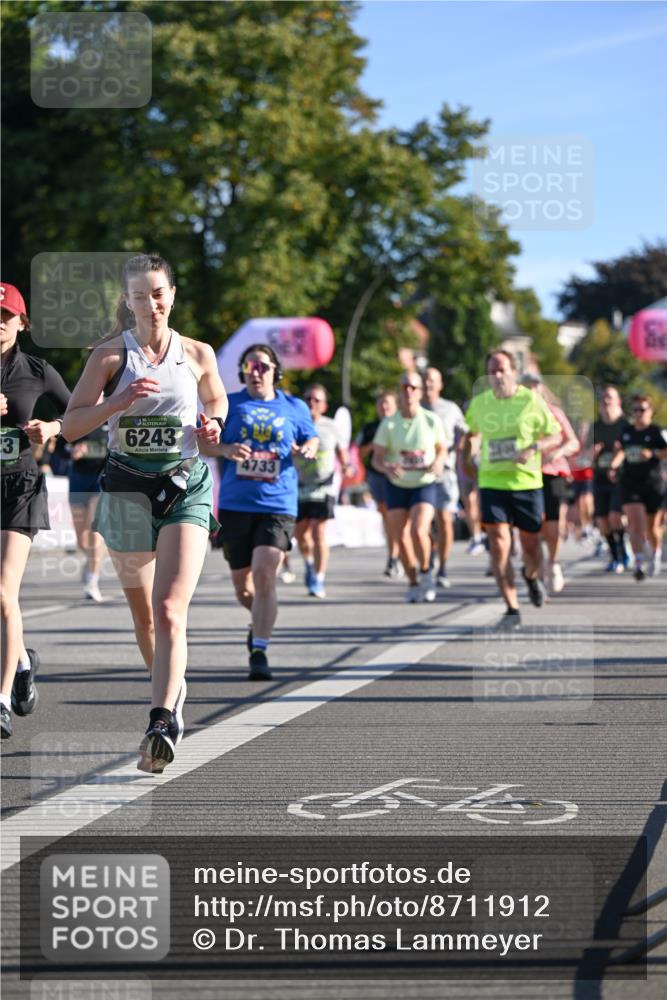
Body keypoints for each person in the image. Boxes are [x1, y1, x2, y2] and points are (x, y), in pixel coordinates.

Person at [62, 253, 227, 773]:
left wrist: (214, 426)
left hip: (184, 487)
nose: (150, 304)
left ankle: (160, 719)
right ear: (127, 301)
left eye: (158, 293)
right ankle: (173, 688)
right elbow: (69, 427)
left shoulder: (198, 352)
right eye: (139, 296)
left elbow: (217, 399)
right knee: (144, 618)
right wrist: (117, 403)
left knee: (170, 609)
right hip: (127, 491)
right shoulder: (109, 357)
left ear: (172, 294)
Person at [216, 343, 318, 678]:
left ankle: (259, 650)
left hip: (278, 503)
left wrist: (307, 448)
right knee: (244, 589)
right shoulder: (229, 404)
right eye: (250, 366)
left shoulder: (294, 406)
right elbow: (201, 441)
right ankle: (261, 616)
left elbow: (311, 437)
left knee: (264, 573)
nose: (256, 372)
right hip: (235, 504)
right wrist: (226, 448)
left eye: (262, 366)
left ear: (275, 371)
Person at [1, 281, 71, 740]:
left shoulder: (38, 370)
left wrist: (52, 427)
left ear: (22, 323)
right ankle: (23, 660)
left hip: (20, 487)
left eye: (5, 317)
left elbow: (83, 415)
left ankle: (1, 699)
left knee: (3, 592)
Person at [463, 350, 561, 630]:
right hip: (492, 482)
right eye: (492, 371)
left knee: (531, 546)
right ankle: (511, 608)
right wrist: (470, 451)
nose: (497, 375)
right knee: (498, 543)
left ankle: (531, 578)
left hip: (526, 483)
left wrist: (534, 447)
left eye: (502, 369)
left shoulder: (531, 401)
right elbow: (472, 433)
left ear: (514, 372)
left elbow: (555, 435)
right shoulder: (480, 404)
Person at [372, 372, 446, 603]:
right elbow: (376, 459)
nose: (409, 392)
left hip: (424, 483)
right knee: (400, 536)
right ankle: (413, 581)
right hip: (397, 484)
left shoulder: (431, 420)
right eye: (404, 387)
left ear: (420, 392)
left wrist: (438, 462)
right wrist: (387, 468)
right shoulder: (389, 423)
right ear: (399, 391)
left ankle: (426, 572)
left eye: (413, 387)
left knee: (418, 530)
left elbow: (442, 448)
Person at [521, 373, 579, 593]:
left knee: (553, 526)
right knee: (533, 526)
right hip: (526, 475)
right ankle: (537, 566)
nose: (532, 391)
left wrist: (558, 453)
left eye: (535, 387)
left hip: (553, 473)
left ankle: (553, 564)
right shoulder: (517, 416)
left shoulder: (554, 413)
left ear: (541, 389)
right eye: (527, 387)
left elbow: (573, 442)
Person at [294, 384, 352, 598]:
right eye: (308, 399)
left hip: (324, 485)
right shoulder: (296, 425)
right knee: (301, 534)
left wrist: (346, 466)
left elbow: (342, 452)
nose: (312, 403)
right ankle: (309, 563)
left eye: (317, 400)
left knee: (319, 532)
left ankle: (318, 578)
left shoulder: (331, 427)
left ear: (325, 406)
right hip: (300, 485)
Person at [609, 394, 667, 580]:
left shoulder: (655, 432)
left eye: (642, 409)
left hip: (652, 483)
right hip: (630, 482)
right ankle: (639, 562)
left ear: (650, 412)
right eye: (635, 410)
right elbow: (622, 452)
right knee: (635, 522)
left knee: (653, 528)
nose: (638, 413)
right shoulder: (627, 432)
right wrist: (613, 465)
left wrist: (652, 453)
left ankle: (656, 555)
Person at [423, 367, 468, 589]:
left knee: (444, 520)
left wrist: (462, 449)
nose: (427, 384)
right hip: (419, 475)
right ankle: (429, 555)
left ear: (440, 384)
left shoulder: (450, 409)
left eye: (432, 380)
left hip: (445, 473)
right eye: (424, 380)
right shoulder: (415, 408)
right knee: (423, 523)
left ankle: (442, 567)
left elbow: (466, 432)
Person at [356, 390, 403, 577]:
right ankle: (393, 556)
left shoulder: (401, 425)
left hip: (399, 476)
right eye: (381, 404)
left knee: (401, 518)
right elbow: (358, 453)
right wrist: (374, 446)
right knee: (388, 518)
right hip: (378, 477)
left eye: (388, 404)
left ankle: (403, 554)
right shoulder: (370, 428)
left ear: (395, 406)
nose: (384, 408)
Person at [66, 420, 109, 602]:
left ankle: (92, 581)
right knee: (82, 541)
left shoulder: (112, 414)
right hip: (78, 479)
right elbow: (59, 447)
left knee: (94, 531)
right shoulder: (74, 414)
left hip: (102, 478)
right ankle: (93, 559)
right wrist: (73, 450)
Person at [592, 385, 630, 572]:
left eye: (610, 397)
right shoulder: (595, 427)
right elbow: (582, 454)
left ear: (618, 402)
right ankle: (615, 556)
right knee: (602, 521)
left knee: (615, 517)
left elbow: (632, 451)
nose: (606, 401)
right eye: (603, 398)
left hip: (620, 478)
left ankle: (622, 552)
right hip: (599, 477)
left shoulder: (625, 425)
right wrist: (592, 453)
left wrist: (619, 455)